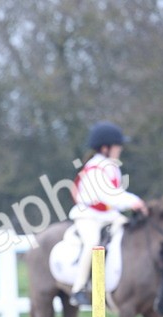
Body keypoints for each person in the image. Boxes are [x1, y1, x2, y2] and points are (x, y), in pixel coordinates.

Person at [68, 122, 148, 306]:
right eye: (117, 146)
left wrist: (135, 202)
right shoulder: (95, 168)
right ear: (105, 148)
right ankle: (78, 289)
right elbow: (110, 195)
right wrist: (133, 202)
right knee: (93, 243)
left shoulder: (111, 166)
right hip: (88, 215)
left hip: (109, 215)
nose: (120, 149)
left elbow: (116, 194)